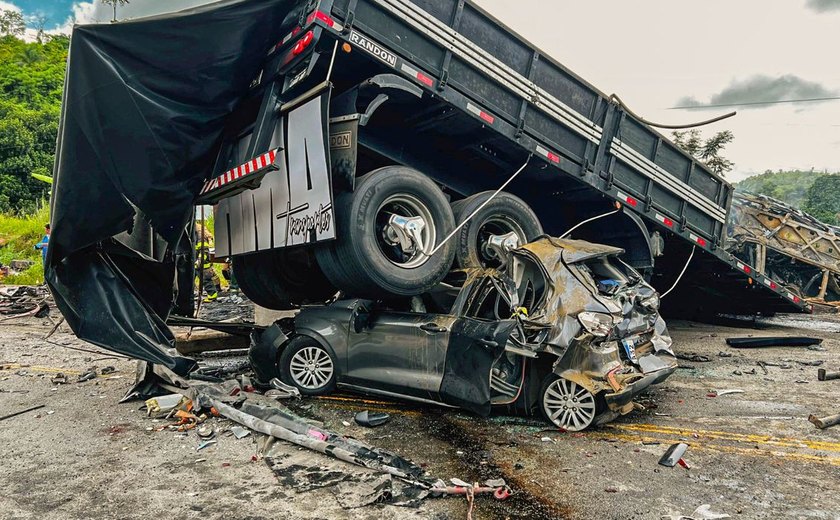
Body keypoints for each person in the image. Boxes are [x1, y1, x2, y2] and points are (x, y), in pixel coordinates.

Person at [195, 223, 220, 303]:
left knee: (206, 280)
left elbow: (203, 252)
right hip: (202, 263)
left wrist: (198, 262)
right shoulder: (201, 234)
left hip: (202, 264)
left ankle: (212, 296)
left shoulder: (200, 237)